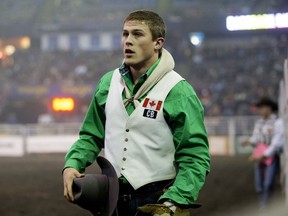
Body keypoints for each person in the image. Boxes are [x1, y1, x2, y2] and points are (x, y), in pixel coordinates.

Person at [63, 10, 210, 216]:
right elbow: (91, 136)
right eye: (125, 34)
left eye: (137, 34)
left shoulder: (178, 91)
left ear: (158, 43)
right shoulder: (108, 83)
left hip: (158, 201)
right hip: (111, 199)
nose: (128, 41)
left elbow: (194, 156)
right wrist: (71, 165)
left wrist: (174, 201)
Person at [244, 97, 285, 209]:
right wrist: (250, 141)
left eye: (262, 108)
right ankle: (264, 207)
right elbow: (256, 138)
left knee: (268, 183)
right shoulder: (259, 122)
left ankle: (265, 207)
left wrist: (265, 154)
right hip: (260, 155)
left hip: (270, 155)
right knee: (259, 185)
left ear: (269, 108)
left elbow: (277, 141)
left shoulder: (277, 122)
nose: (260, 110)